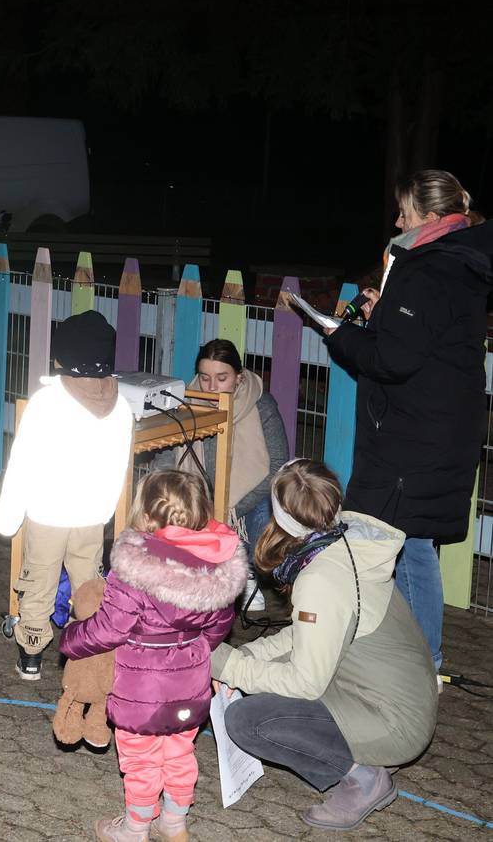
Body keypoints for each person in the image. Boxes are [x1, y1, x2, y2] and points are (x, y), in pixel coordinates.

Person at [211, 459, 438, 831]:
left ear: (282, 521)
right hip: (393, 699)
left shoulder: (320, 579)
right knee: (260, 679)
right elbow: (308, 637)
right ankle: (366, 750)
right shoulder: (345, 542)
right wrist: (248, 655)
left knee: (247, 720)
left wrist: (225, 664)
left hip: (394, 722)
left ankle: (363, 777)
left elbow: (305, 682)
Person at [326, 170, 492, 671]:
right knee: (407, 542)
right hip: (436, 428)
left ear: (431, 217)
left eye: (404, 213)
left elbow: (393, 359)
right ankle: (407, 656)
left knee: (409, 545)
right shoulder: (455, 262)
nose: (397, 222)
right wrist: (384, 316)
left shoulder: (429, 268)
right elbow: (423, 341)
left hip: (418, 434)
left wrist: (341, 335)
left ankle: (423, 664)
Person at [61, 470, 247, 842]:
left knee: (140, 760)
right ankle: (174, 824)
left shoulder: (135, 569)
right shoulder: (218, 571)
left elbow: (110, 628)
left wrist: (71, 639)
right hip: (190, 685)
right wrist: (197, 653)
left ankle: (135, 829)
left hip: (139, 690)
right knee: (179, 753)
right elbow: (218, 628)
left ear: (146, 516)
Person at [0, 310, 134, 681]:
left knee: (39, 581)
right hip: (91, 515)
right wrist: (105, 509)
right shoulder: (120, 406)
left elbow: (22, 461)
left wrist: (8, 517)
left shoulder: (47, 402)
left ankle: (31, 653)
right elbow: (118, 465)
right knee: (88, 583)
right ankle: (88, 654)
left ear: (64, 357)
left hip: (48, 512)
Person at [154, 338, 289, 610]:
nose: (212, 387)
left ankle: (245, 570)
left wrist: (231, 509)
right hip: (199, 495)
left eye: (222, 378)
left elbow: (278, 465)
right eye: (205, 378)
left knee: (265, 514)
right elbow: (167, 460)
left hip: (246, 499)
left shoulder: (261, 404)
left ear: (239, 377)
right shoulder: (185, 403)